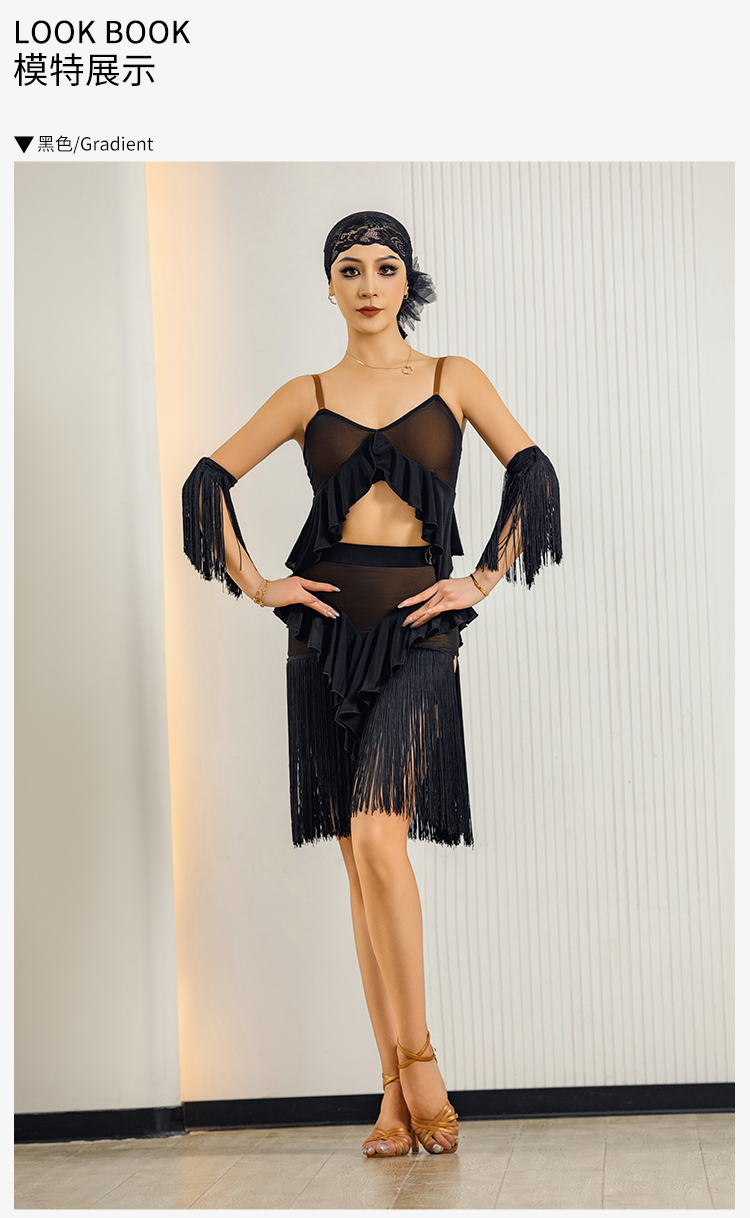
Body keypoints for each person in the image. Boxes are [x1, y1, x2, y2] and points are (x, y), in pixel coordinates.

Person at [182, 211, 562, 1157]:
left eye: (384, 267)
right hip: (323, 633)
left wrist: (480, 581)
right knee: (360, 860)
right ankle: (392, 1091)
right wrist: (261, 584)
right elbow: (206, 481)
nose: (367, 284)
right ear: (329, 286)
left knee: (380, 839)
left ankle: (421, 1061)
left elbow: (533, 472)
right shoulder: (306, 393)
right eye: (348, 269)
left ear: (407, 281)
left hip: (420, 631)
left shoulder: (452, 378)